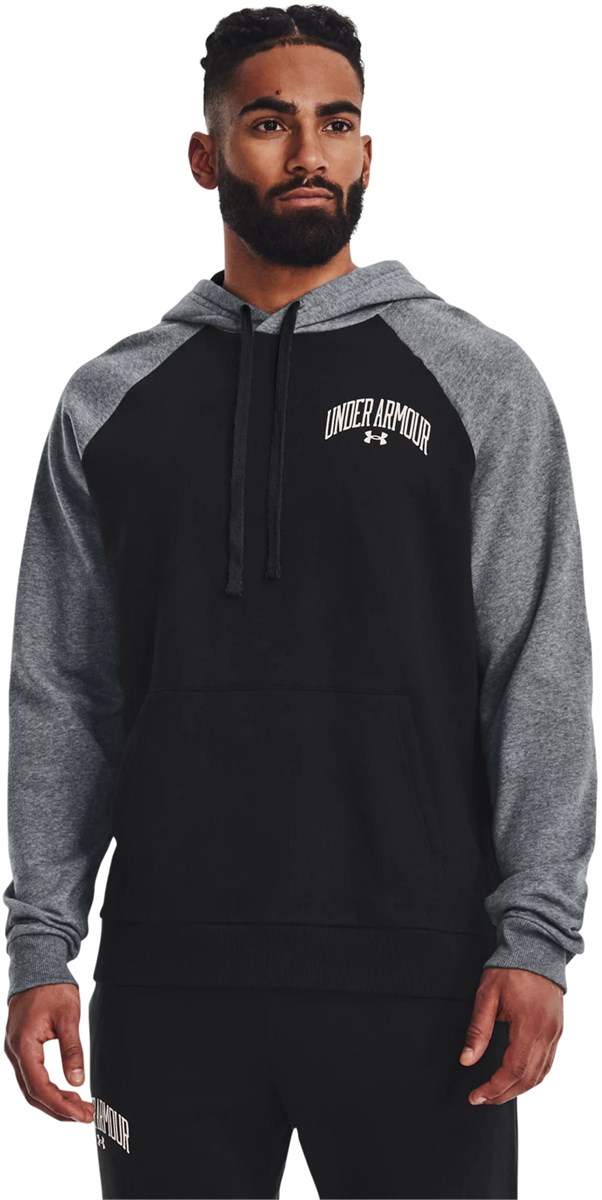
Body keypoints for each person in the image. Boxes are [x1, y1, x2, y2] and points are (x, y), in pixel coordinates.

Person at [3, 5, 597, 1199]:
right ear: (206, 154)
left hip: (423, 979)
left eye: (336, 123)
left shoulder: (477, 380)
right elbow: (65, 689)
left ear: (367, 151)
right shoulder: (109, 402)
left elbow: (536, 667)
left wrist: (534, 939)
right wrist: (40, 944)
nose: (309, 151)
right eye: (269, 123)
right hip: (167, 981)